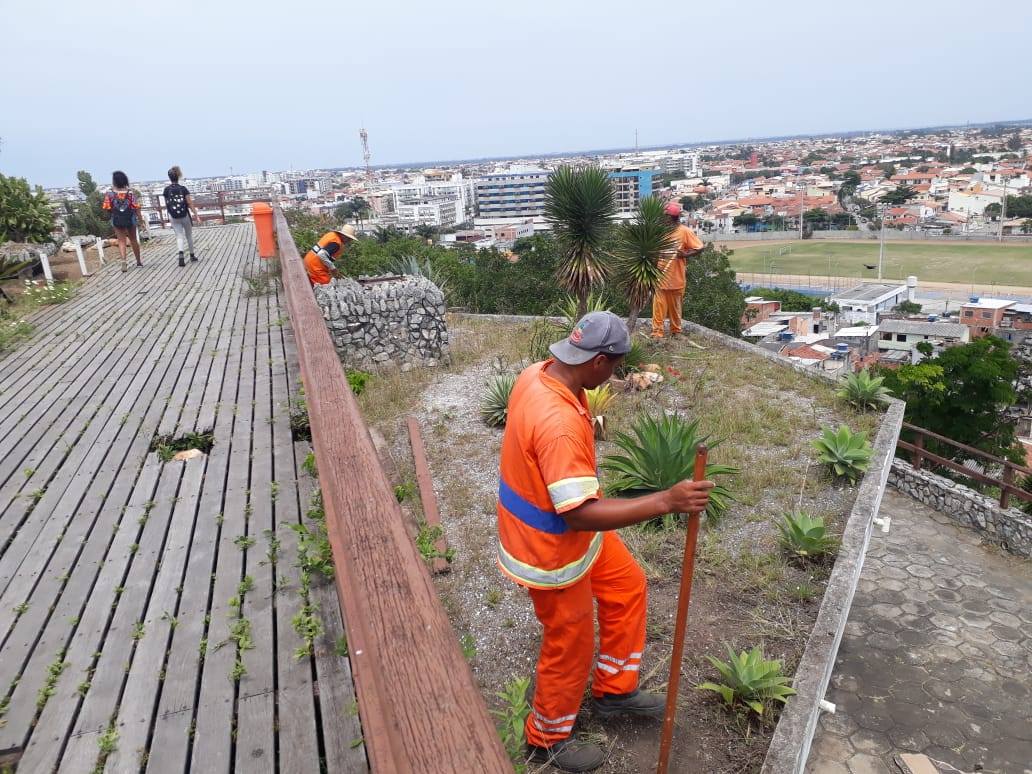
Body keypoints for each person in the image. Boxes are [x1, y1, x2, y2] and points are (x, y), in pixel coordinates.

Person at [496, 311, 714, 772]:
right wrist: (666, 501)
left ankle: (614, 691)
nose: (615, 374)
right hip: (550, 550)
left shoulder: (538, 374)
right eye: (614, 365)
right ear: (596, 361)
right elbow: (579, 514)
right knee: (570, 641)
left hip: (568, 535)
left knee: (627, 585)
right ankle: (546, 737)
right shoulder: (557, 423)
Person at [651, 201, 704, 339]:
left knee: (675, 308)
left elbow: (699, 247)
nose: (662, 218)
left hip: (676, 279)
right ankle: (657, 333)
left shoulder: (685, 232)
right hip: (660, 277)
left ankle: (676, 331)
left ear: (671, 218)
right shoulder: (660, 231)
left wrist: (685, 254)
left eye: (665, 216)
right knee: (658, 307)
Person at [102, 171, 143, 272]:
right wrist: (141, 220)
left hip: (117, 219)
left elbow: (107, 207)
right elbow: (136, 207)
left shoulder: (110, 194)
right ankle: (138, 261)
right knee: (133, 240)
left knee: (121, 241)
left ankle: (124, 261)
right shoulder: (130, 193)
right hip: (130, 218)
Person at [163, 166, 200, 267]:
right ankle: (192, 255)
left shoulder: (166, 190)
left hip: (173, 216)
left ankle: (181, 254)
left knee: (179, 235)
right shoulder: (183, 189)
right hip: (184, 215)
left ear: (169, 177)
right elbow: (189, 203)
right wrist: (196, 215)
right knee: (188, 235)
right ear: (178, 176)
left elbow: (167, 203)